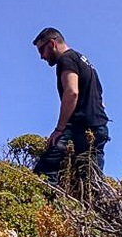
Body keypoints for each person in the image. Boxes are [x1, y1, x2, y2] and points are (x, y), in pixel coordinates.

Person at [31, 27, 110, 184]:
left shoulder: (66, 60)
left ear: (52, 43)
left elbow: (72, 92)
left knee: (45, 172)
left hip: (79, 128)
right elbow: (100, 97)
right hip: (99, 127)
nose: (41, 56)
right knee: (89, 181)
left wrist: (59, 129)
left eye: (42, 50)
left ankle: (45, 207)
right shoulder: (83, 60)